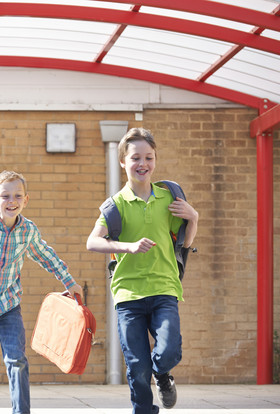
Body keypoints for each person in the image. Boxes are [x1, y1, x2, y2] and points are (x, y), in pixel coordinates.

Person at [0, 170, 84, 414]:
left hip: (8, 306)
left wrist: (68, 281)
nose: (12, 201)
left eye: (18, 196)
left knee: (17, 359)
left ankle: (21, 411)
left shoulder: (27, 230)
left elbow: (44, 254)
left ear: (26, 200)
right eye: (5, 196)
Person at [86, 128, 198, 414]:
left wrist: (194, 218)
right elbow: (92, 242)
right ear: (123, 161)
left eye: (148, 157)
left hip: (164, 288)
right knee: (137, 367)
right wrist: (128, 246)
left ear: (155, 160)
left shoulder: (167, 198)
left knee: (169, 349)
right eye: (135, 157)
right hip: (128, 294)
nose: (142, 163)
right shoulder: (116, 205)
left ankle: (162, 375)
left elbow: (184, 241)